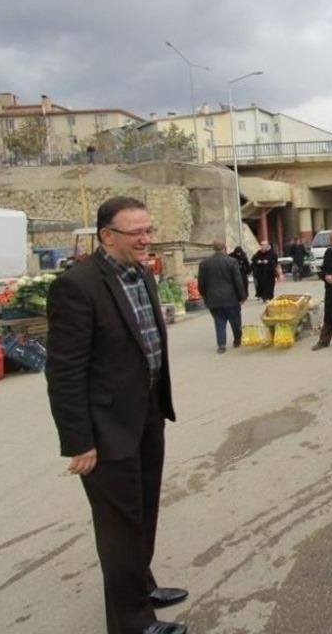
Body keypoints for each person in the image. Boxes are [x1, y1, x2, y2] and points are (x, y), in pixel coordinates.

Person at [45, 196, 189, 634]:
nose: (147, 240)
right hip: (106, 429)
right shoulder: (78, 285)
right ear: (107, 236)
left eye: (149, 231)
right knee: (118, 524)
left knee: (143, 510)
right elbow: (64, 370)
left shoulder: (141, 274)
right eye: (137, 233)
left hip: (146, 413)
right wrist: (79, 440)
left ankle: (140, 585)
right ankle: (132, 623)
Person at [197, 240, 247, 354]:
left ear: (213, 248)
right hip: (231, 298)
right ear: (225, 247)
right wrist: (242, 296)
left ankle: (221, 345)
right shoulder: (231, 261)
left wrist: (204, 294)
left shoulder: (204, 264)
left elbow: (201, 283)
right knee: (235, 321)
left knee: (219, 322)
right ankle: (237, 340)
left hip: (213, 299)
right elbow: (238, 281)